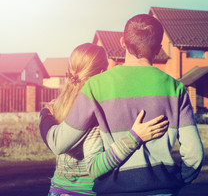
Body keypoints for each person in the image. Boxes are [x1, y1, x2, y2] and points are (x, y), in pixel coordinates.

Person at [40, 14, 205, 196]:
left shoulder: (96, 86)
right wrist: (176, 180)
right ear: (158, 49)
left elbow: (61, 143)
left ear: (122, 43)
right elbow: (194, 155)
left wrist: (45, 114)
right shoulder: (176, 89)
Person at [41, 43, 168, 196]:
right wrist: (134, 138)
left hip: (57, 190)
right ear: (101, 72)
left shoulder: (56, 105)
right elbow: (95, 167)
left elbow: (55, 140)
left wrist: (44, 114)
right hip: (87, 191)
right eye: (107, 67)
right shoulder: (95, 111)